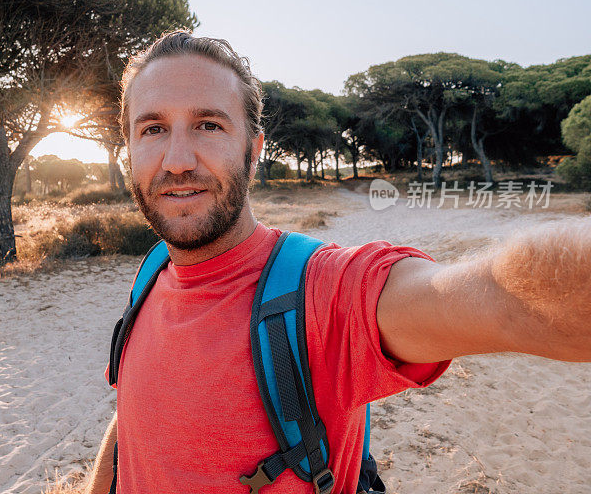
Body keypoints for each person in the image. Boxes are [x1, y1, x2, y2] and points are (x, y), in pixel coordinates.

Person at [83, 31, 591, 494]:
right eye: (152, 129)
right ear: (128, 147)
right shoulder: (152, 273)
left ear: (253, 151)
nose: (177, 159)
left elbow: (501, 300)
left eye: (209, 125)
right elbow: (131, 417)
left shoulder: (320, 292)